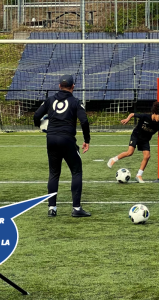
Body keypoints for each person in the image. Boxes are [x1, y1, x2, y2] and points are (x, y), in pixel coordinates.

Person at [34, 74, 91, 217]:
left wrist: (40, 126)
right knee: (76, 171)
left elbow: (36, 116)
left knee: (54, 173)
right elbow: (84, 121)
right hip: (67, 139)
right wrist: (87, 140)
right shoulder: (75, 102)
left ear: (59, 86)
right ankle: (76, 209)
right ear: (73, 87)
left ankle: (52, 208)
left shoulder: (50, 100)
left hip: (51, 138)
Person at [107, 101, 159, 183]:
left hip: (145, 140)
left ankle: (139, 175)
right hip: (136, 136)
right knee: (130, 152)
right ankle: (113, 159)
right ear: (155, 112)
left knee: (147, 156)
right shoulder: (145, 116)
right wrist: (127, 119)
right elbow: (132, 114)